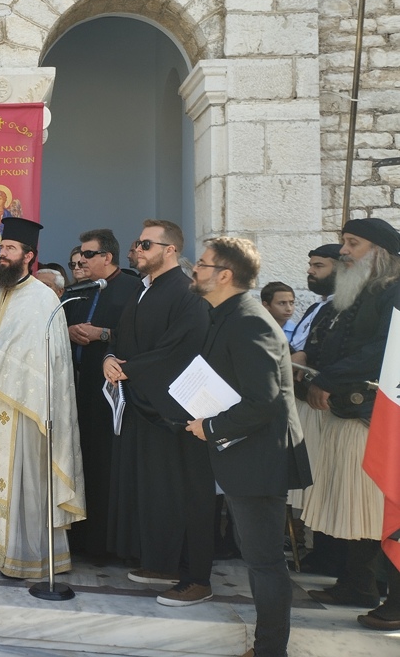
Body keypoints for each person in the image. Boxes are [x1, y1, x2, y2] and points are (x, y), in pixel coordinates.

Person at [186, 236, 311, 657]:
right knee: (258, 560)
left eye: (202, 265)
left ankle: (270, 650)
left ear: (224, 275)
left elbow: (265, 399)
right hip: (242, 453)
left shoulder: (248, 320)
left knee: (264, 563)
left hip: (259, 458)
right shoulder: (226, 314)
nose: (195, 270)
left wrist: (213, 426)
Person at [0, 217, 84, 578]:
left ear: (29, 255)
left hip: (26, 406)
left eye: (11, 249)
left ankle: (23, 551)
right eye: (3, 249)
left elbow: (49, 360)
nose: (4, 255)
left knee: (21, 479)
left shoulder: (43, 299)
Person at [102, 220, 213, 604]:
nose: (138, 249)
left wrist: (128, 369)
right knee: (151, 490)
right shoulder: (143, 289)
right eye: (137, 242)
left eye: (146, 243)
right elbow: (121, 336)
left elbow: (180, 349)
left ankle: (189, 573)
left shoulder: (186, 292)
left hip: (173, 411)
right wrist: (111, 358)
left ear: (170, 250)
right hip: (140, 403)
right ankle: (161, 561)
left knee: (178, 492)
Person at [299, 218, 400, 621]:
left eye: (352, 244)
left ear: (378, 252)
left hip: (377, 417)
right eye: (344, 243)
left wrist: (327, 378)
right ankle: (358, 583)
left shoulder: (394, 291)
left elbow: (380, 350)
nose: (343, 252)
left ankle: (393, 600)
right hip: (350, 411)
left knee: (383, 509)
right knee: (362, 508)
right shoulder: (361, 290)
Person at [66, 228, 139, 559]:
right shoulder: (79, 289)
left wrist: (104, 333)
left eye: (88, 254)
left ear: (107, 257)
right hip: (78, 388)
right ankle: (79, 538)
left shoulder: (133, 289)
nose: (81, 259)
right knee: (82, 463)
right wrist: (68, 330)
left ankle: (106, 544)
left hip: (114, 394)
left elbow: (139, 336)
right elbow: (61, 323)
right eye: (81, 253)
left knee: (106, 468)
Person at [288, 243, 342, 574]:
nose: (311, 271)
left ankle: (334, 557)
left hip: (325, 406)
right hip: (304, 402)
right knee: (313, 484)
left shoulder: (343, 310)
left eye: (319, 266)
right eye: (310, 265)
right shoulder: (316, 308)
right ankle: (321, 551)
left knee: (326, 484)